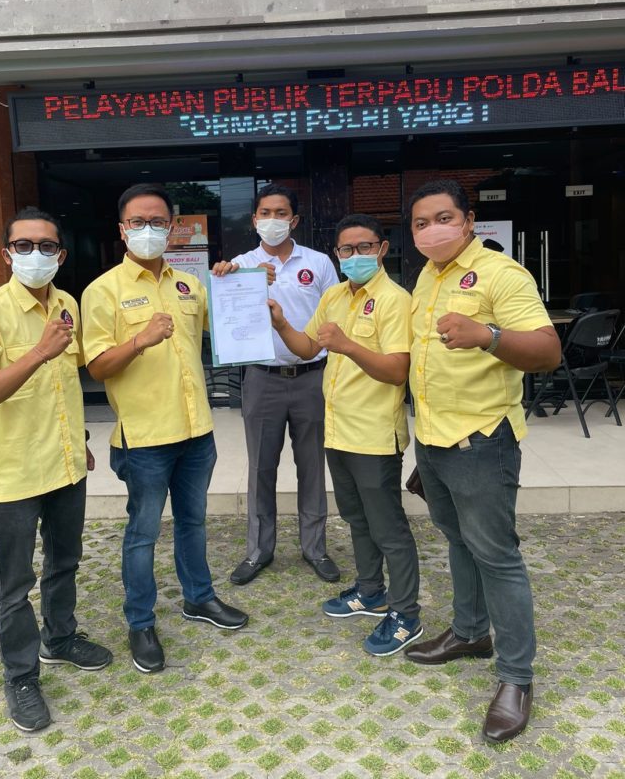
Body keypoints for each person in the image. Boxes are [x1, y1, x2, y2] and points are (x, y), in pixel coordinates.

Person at [403, 179, 561, 744]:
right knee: (457, 540)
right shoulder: (426, 276)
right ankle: (470, 632)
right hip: (433, 438)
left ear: (468, 221)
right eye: (421, 223)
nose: (432, 230)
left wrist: (488, 335)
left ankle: (516, 677)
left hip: (482, 439)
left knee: (497, 556)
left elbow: (547, 350)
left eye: (443, 218)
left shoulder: (501, 274)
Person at [81, 183, 248, 675]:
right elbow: (96, 366)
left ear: (173, 228)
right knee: (143, 533)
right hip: (145, 440)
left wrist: (236, 283)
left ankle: (199, 597)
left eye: (158, 221)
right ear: (122, 230)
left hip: (196, 432)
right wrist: (141, 339)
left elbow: (228, 328)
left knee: (194, 522)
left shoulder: (189, 285)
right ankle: (140, 622)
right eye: (138, 222)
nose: (149, 229)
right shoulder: (102, 291)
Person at [0, 207, 112, 733]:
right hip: (16, 472)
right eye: (23, 245)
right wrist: (39, 352)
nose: (35, 254)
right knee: (14, 582)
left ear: (61, 255)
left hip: (65, 465)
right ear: (7, 254)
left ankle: (60, 638)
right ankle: (21, 677)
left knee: (64, 561)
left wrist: (79, 442)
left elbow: (65, 386)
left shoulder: (67, 303)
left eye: (46, 246)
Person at [269, 213, 422, 656]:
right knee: (356, 519)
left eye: (364, 247)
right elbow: (307, 347)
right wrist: (281, 323)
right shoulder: (334, 295)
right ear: (336, 254)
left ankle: (406, 613)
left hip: (374, 435)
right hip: (337, 431)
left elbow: (397, 371)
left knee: (388, 528)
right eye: (346, 249)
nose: (355, 256)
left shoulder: (395, 300)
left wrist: (348, 346)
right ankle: (370, 591)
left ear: (382, 249)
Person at [213, 184, 341, 586]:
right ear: (254, 220)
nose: (273, 220)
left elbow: (334, 318)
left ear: (294, 220)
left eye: (281, 213)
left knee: (312, 467)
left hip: (311, 378)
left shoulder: (318, 263)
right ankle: (258, 551)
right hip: (262, 379)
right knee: (261, 468)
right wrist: (231, 282)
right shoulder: (239, 265)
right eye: (265, 213)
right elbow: (225, 319)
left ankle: (315, 548)